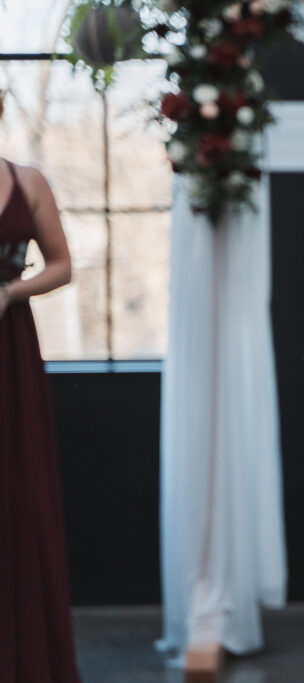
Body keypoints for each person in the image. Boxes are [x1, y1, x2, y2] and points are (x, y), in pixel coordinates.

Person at [0, 88, 81, 683]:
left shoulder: (26, 181)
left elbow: (61, 264)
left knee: (18, 491)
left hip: (9, 351)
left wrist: (7, 293)